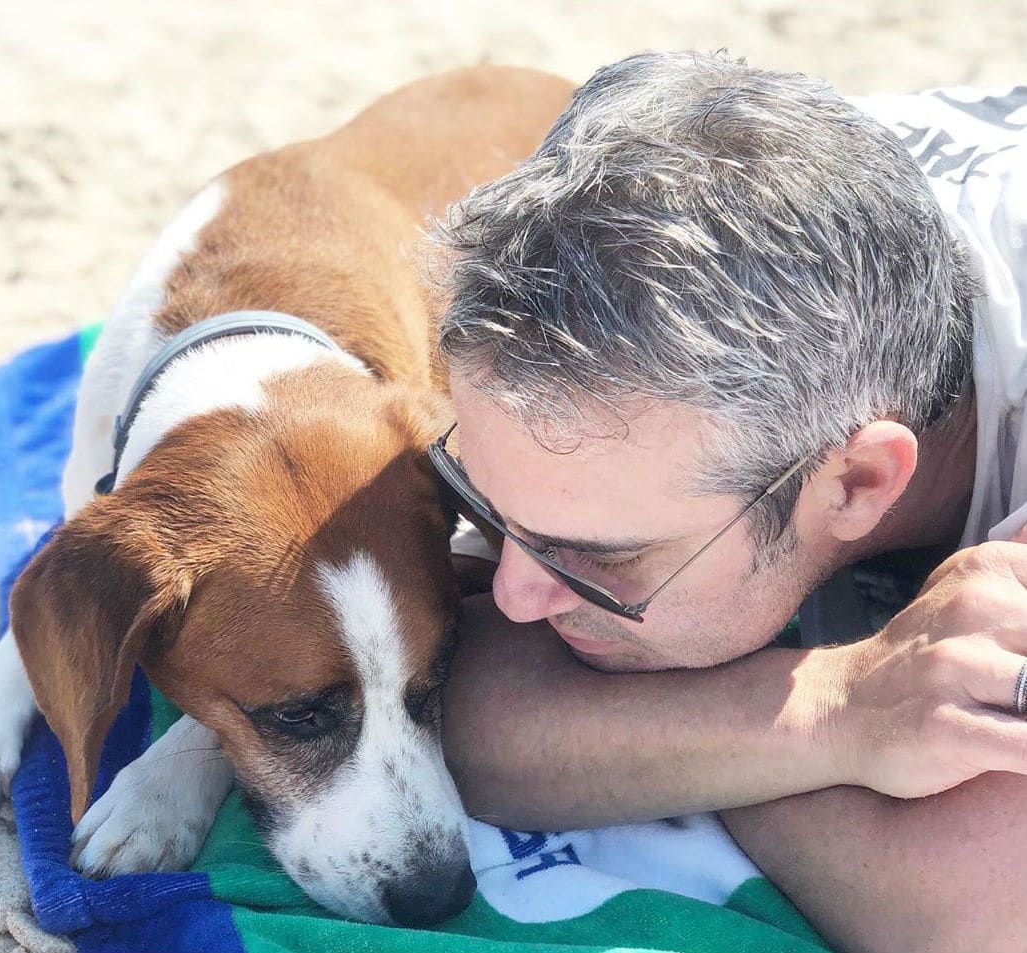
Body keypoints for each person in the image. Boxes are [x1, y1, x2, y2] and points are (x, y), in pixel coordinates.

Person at [431, 52, 1027, 952]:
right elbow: (449, 704)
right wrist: (843, 710)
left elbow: (972, 903)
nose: (513, 594)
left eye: (605, 558)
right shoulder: (673, 239)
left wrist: (649, 750)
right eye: (477, 497)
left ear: (859, 482)